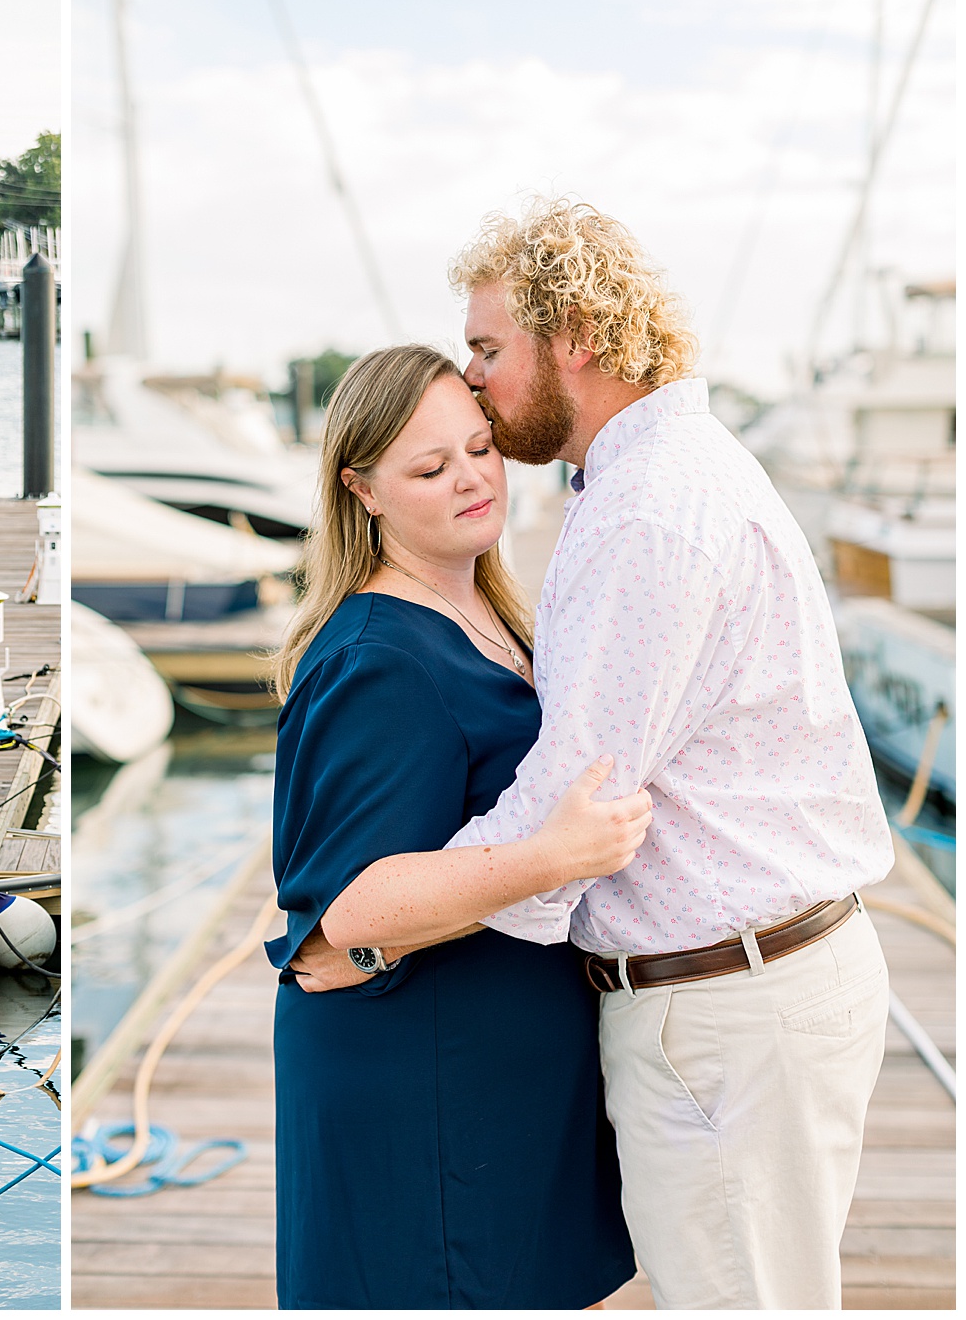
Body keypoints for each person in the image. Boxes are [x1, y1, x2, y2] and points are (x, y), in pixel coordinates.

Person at [298, 199, 894, 1310]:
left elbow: (574, 801)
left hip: (731, 1005)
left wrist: (365, 930)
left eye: (487, 350)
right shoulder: (654, 477)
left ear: (571, 336)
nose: (472, 378)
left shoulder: (645, 515)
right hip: (749, 986)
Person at [267, 342, 648, 1309]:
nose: (473, 478)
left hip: (499, 1071)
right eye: (431, 468)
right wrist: (549, 857)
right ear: (363, 491)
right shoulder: (376, 659)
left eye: (480, 449)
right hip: (424, 1086)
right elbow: (347, 909)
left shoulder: (492, 611)